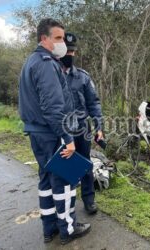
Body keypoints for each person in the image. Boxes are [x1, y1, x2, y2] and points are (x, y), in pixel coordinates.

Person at [18, 18, 90, 245]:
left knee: (46, 180)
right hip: (51, 133)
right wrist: (67, 138)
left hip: (36, 132)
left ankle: (49, 228)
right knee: (64, 180)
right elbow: (53, 108)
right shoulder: (47, 64)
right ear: (44, 39)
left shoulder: (31, 62)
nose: (63, 44)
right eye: (58, 38)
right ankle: (68, 229)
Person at [60, 32, 104, 214]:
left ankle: (88, 199)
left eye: (72, 52)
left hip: (81, 127)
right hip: (61, 129)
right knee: (64, 167)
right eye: (66, 51)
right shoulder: (52, 75)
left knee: (85, 164)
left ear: (75, 53)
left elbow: (93, 103)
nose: (69, 55)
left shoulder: (83, 77)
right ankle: (65, 203)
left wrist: (99, 127)